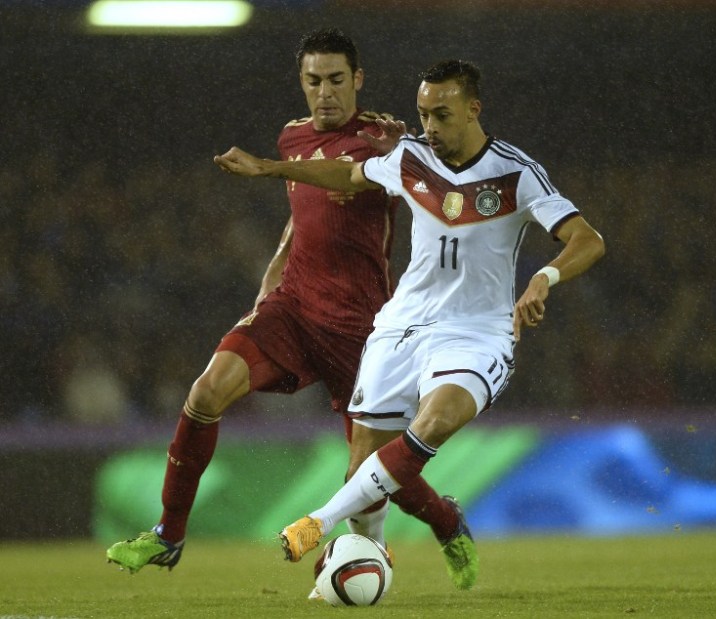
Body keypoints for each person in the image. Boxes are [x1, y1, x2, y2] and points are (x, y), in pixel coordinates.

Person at [106, 30, 479, 592]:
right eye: (313, 81)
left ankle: (447, 521)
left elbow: (429, 177)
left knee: (374, 478)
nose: (324, 93)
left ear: (357, 80)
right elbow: (298, 218)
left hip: (363, 329)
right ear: (301, 83)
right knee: (206, 393)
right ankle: (168, 534)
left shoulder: (387, 141)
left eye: (335, 80)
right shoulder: (292, 137)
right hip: (293, 308)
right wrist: (270, 283)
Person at [213, 59, 606, 569]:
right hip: (402, 326)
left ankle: (320, 522)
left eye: (442, 115)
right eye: (423, 115)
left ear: (473, 109)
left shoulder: (515, 172)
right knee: (364, 467)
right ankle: (379, 551)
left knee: (434, 421)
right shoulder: (409, 157)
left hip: (477, 332)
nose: (430, 128)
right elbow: (349, 175)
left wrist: (542, 278)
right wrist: (273, 168)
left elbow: (587, 239)